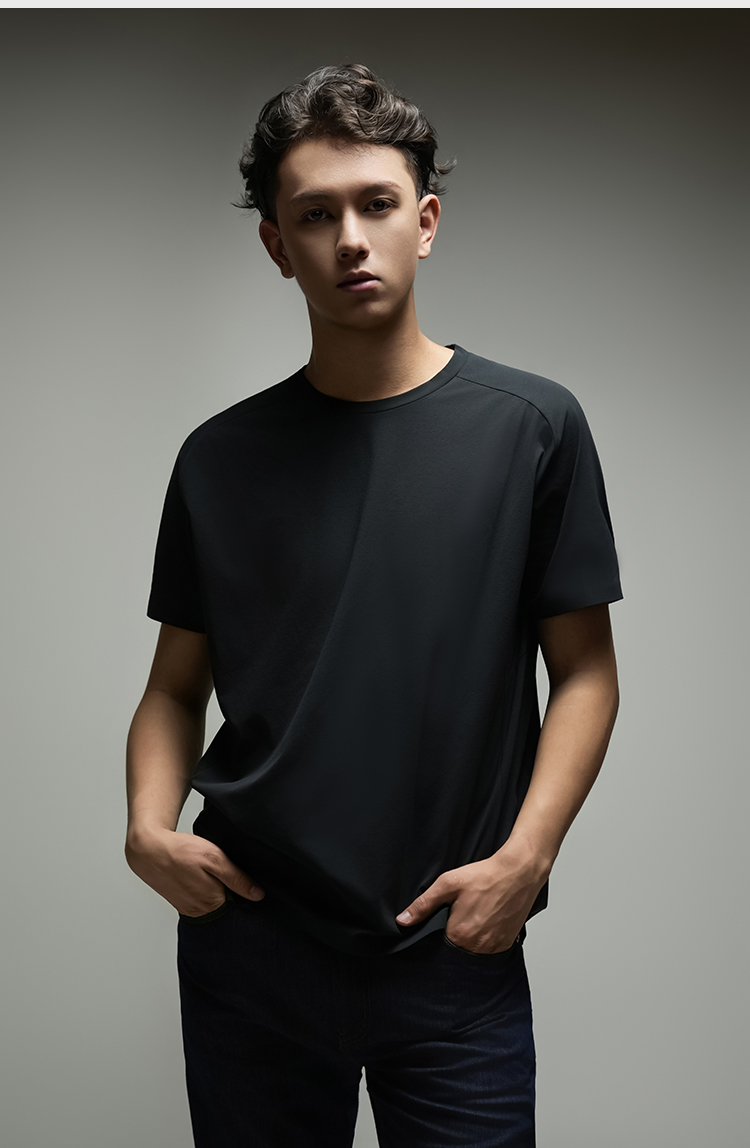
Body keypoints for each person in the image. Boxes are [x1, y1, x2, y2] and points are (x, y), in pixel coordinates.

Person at [125, 62, 622, 1148]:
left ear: (424, 222)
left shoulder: (532, 427)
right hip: (253, 946)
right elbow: (172, 687)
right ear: (276, 245)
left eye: (377, 204)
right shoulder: (217, 458)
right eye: (316, 214)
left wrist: (528, 858)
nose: (351, 238)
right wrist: (147, 832)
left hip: (453, 951)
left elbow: (587, 671)